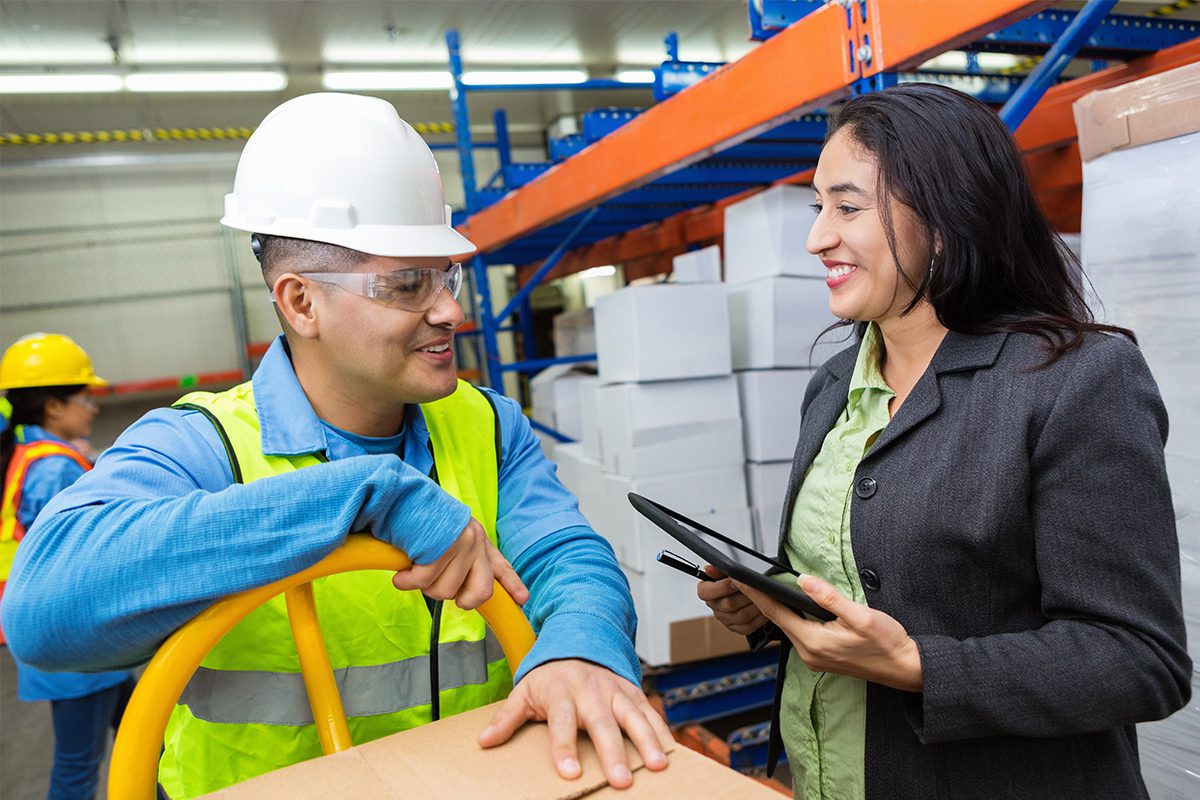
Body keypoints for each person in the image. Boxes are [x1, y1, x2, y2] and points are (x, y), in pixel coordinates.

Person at [2, 93, 670, 799]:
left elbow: (567, 556)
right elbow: (42, 614)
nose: (452, 311)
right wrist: (356, 496)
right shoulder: (205, 446)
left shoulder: (487, 423)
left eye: (448, 277)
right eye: (409, 284)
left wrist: (581, 645)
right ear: (301, 303)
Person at [698, 83, 1190, 800]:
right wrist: (770, 605)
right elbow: (861, 575)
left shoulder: (1075, 382)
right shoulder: (836, 383)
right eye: (817, 208)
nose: (817, 237)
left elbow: (1139, 659)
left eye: (847, 207)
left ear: (947, 213)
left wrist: (920, 665)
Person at [0, 333, 137, 799]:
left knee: (150, 735)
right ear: (53, 408)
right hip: (77, 639)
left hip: (80, 641)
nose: (93, 406)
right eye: (84, 397)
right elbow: (80, 553)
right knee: (79, 767)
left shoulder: (26, 454)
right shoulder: (55, 467)